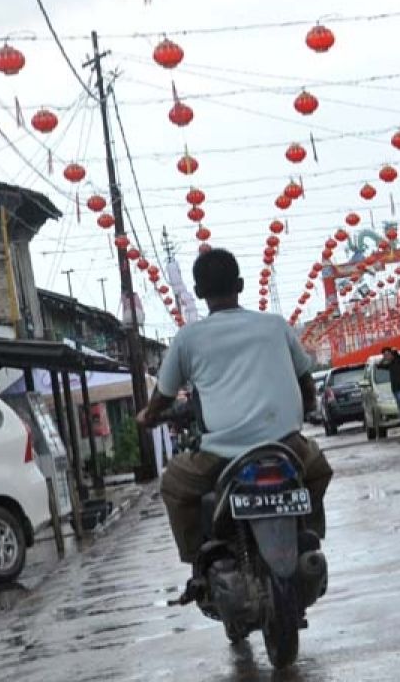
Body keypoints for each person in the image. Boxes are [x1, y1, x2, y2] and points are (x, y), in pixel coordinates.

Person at [138, 248, 333, 579]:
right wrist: (308, 406)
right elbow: (305, 380)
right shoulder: (275, 326)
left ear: (199, 293)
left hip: (220, 454)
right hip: (285, 444)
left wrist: (147, 417)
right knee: (317, 470)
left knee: (173, 483)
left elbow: (163, 395)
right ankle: (308, 542)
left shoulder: (188, 338)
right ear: (240, 284)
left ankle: (200, 562)